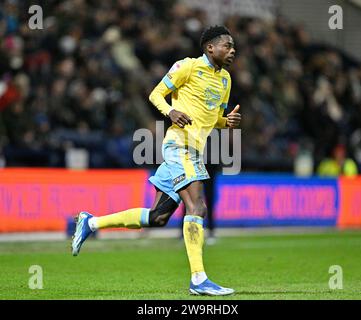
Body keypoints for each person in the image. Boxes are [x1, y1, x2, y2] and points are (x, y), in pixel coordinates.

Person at [71, 26, 241, 296]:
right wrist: (171, 111)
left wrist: (226, 122)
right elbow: (155, 95)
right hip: (178, 146)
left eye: (233, 47)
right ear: (210, 47)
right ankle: (198, 278)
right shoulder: (187, 67)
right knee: (197, 207)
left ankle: (90, 223)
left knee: (158, 217)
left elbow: (214, 118)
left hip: (194, 149)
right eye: (227, 46)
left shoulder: (225, 81)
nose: (232, 51)